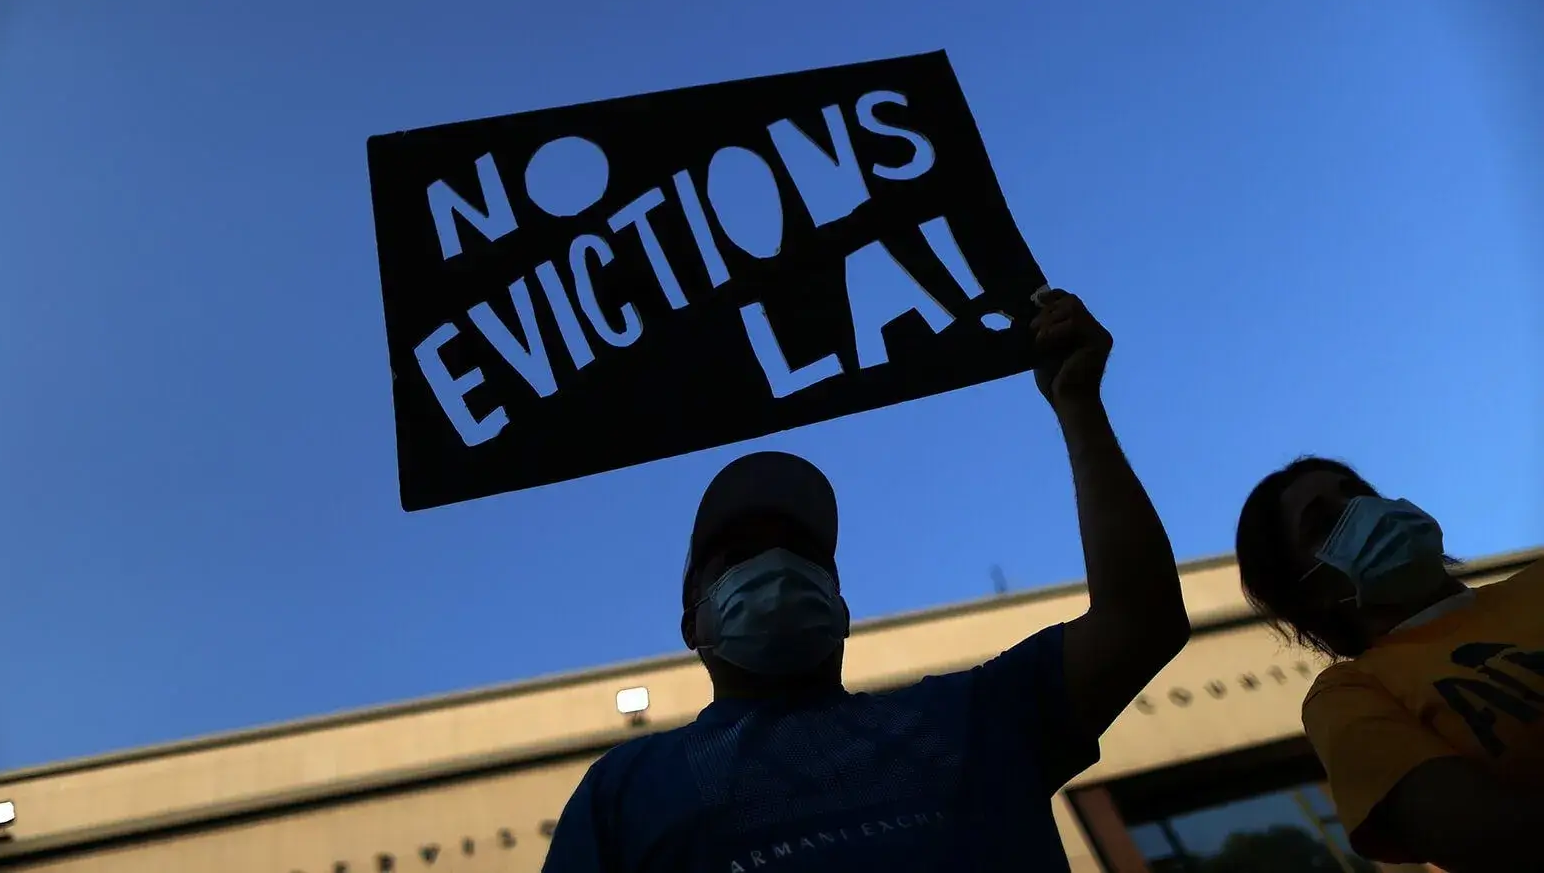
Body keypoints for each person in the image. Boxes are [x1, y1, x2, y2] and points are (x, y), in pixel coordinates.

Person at [542, 291, 1190, 872]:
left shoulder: (978, 714)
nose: (775, 566)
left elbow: (1141, 620)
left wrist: (1079, 407)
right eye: (739, 553)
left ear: (841, 608)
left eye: (801, 551)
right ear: (692, 623)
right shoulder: (623, 790)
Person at [1235, 456, 1544, 872]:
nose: (1361, 513)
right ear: (1307, 594)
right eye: (1325, 523)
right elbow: (1478, 835)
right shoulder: (1350, 695)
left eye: (1358, 494)